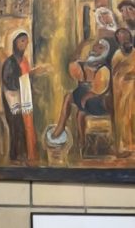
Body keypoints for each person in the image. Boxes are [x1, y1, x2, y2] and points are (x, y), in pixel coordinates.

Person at [50, 39, 112, 150]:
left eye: (100, 48)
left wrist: (88, 96)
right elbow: (73, 65)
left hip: (97, 102)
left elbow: (100, 89)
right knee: (69, 98)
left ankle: (81, 140)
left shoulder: (104, 69)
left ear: (105, 52)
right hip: (83, 100)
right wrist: (80, 47)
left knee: (80, 113)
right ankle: (61, 126)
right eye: (96, 46)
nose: (96, 48)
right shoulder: (86, 64)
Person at [1, 30, 44, 166]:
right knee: (16, 127)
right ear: (15, 43)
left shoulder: (24, 60)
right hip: (13, 101)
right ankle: (15, 157)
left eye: (26, 41)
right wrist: (30, 75)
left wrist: (33, 84)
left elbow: (25, 81)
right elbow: (9, 82)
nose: (25, 44)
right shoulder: (9, 62)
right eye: (22, 41)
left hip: (24, 99)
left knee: (25, 127)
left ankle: (26, 155)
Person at [111, 28, 135, 156]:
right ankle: (124, 147)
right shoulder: (117, 56)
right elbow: (115, 74)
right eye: (121, 38)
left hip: (134, 91)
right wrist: (125, 77)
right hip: (122, 92)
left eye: (126, 37)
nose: (125, 40)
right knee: (123, 118)